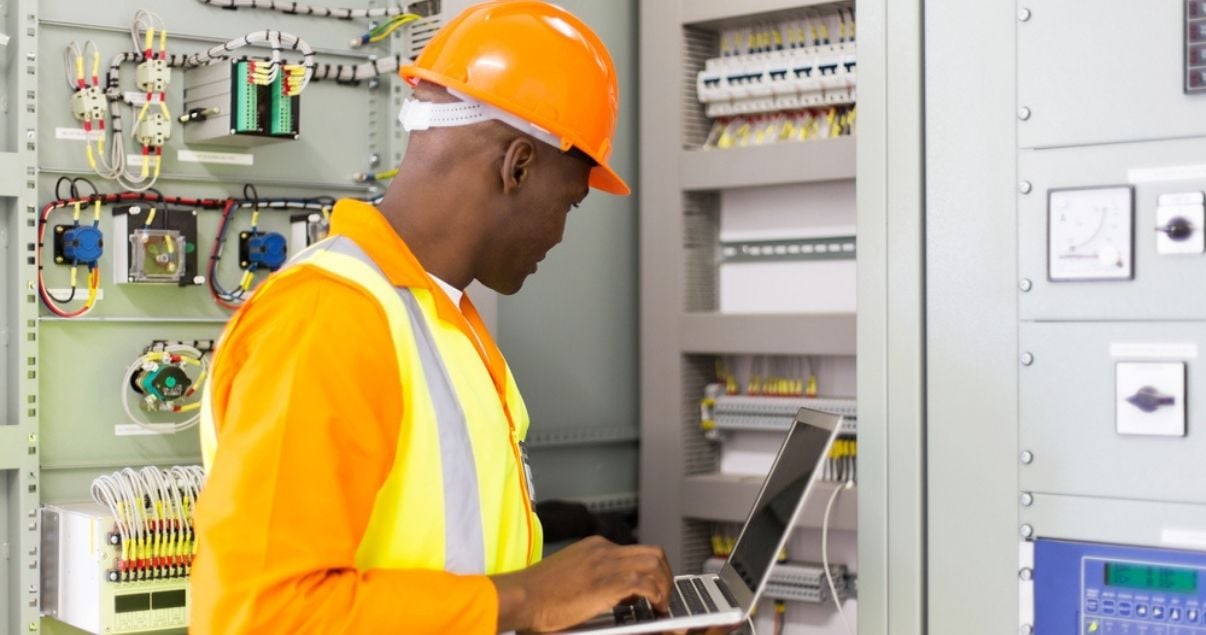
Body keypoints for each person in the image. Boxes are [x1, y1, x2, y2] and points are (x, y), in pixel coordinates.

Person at [190, 2, 713, 633]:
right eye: (569, 204)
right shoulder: (329, 319)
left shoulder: (437, 316)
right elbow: (261, 615)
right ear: (517, 165)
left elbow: (457, 568)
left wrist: (589, 611)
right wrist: (529, 598)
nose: (560, 233)